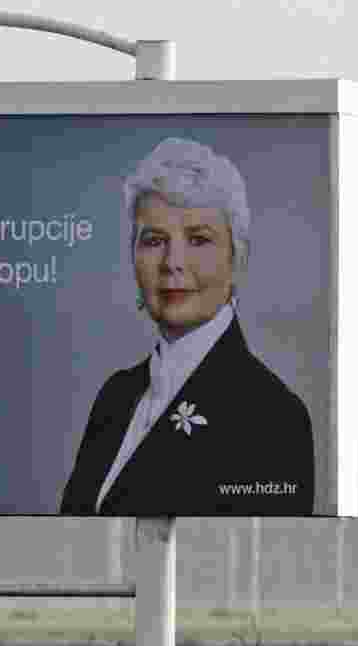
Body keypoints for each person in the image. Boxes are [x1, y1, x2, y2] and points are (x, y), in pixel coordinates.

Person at [59, 137, 315, 517]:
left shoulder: (272, 417)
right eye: (154, 240)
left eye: (198, 240)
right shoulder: (116, 396)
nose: (172, 262)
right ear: (132, 257)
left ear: (237, 260)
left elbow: (248, 570)